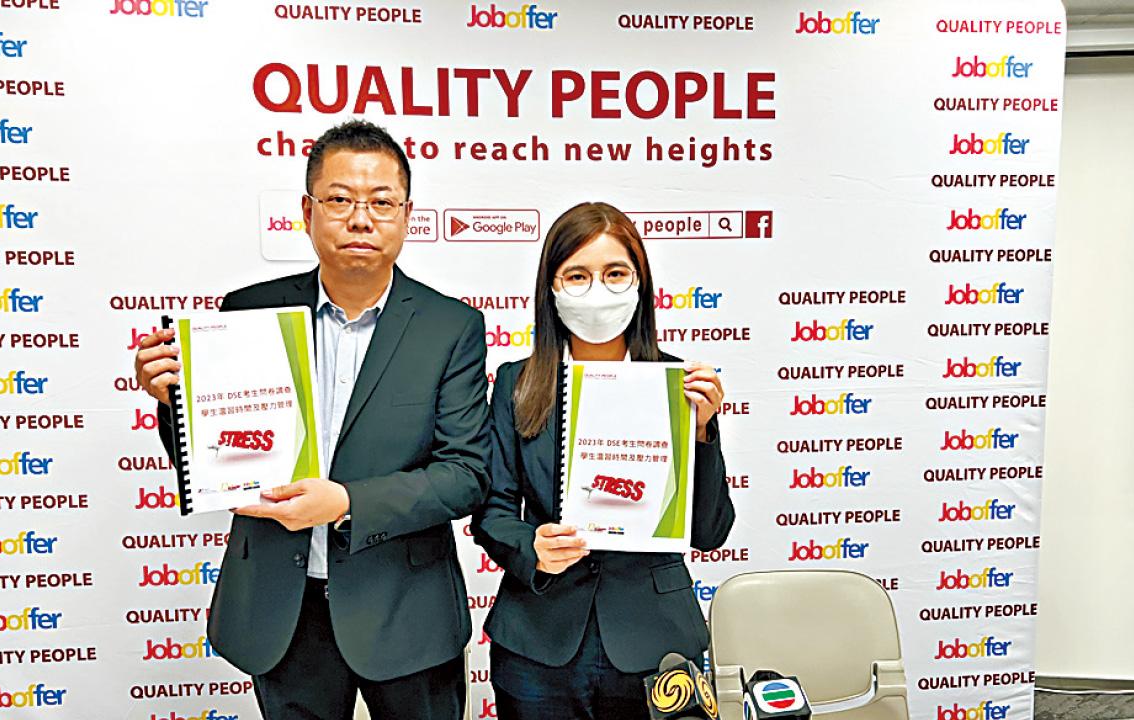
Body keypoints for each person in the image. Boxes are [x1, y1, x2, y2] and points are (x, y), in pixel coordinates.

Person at [132, 120, 489, 720]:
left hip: (406, 611)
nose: (361, 219)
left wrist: (346, 502)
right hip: (282, 609)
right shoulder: (247, 314)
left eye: (381, 203)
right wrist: (174, 403)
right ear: (308, 211)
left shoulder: (450, 327)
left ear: (407, 215)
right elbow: (214, 461)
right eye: (340, 200)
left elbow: (466, 475)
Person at [472, 201, 735, 719]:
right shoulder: (516, 384)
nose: (598, 290)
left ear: (640, 283)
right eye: (577, 275)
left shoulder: (680, 384)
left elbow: (709, 532)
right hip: (539, 640)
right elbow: (493, 512)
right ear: (551, 288)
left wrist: (702, 432)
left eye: (615, 273)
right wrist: (532, 547)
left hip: (654, 639)